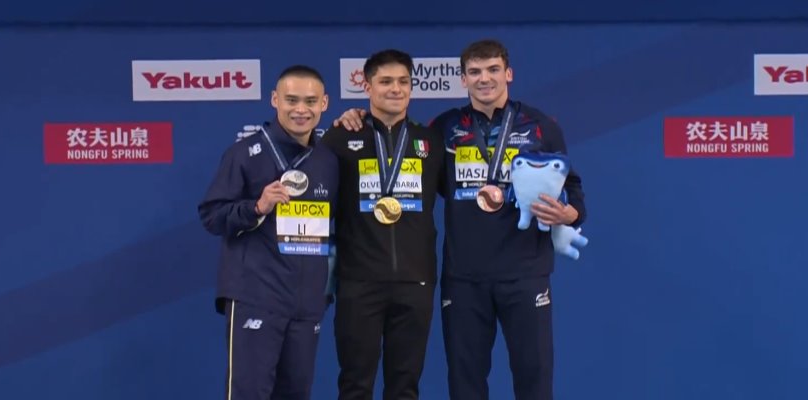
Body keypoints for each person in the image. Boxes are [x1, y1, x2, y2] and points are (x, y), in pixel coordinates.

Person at [332, 39, 587, 400]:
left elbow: (572, 188)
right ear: (463, 79)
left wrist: (570, 213)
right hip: (464, 279)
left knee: (535, 379)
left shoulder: (540, 126)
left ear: (508, 73)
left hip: (525, 274)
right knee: (465, 384)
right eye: (475, 72)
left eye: (493, 70)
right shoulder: (443, 129)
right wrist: (355, 117)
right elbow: (399, 152)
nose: (485, 79)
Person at [198, 65, 338, 400]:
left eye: (309, 101)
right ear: (275, 99)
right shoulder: (244, 153)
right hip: (256, 297)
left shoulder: (329, 161)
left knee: (296, 394)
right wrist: (256, 208)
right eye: (291, 100)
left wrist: (325, 291)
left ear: (325, 103)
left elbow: (336, 230)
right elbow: (211, 215)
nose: (300, 109)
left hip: (306, 303)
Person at [319, 49, 445, 400]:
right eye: (386, 81)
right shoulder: (341, 138)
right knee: (355, 384)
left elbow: (464, 198)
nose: (396, 89)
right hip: (359, 283)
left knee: (405, 387)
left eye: (403, 81)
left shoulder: (431, 142)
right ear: (367, 87)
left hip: (415, 282)